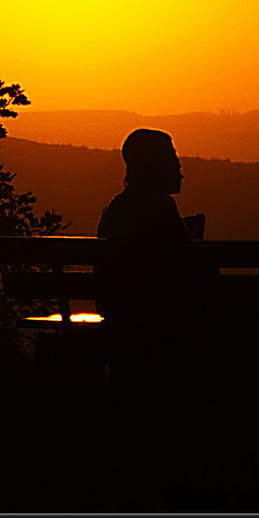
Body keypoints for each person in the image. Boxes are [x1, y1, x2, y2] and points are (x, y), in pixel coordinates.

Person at [95, 129, 210, 378]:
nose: (179, 165)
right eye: (172, 157)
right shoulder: (160, 206)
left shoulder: (116, 208)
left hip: (122, 317)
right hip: (158, 321)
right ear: (156, 164)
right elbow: (188, 269)